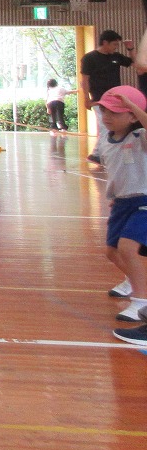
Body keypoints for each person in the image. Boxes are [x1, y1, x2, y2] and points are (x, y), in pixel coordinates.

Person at [85, 86, 147, 341]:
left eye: (115, 112)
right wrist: (114, 198)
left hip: (144, 200)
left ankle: (141, 300)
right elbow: (116, 171)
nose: (107, 116)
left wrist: (134, 108)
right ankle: (134, 281)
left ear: (132, 116)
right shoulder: (105, 141)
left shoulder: (140, 136)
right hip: (121, 202)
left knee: (127, 247)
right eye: (105, 111)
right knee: (111, 251)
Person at [82, 30, 135, 164]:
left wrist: (131, 48)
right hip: (99, 99)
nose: (115, 48)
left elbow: (134, 62)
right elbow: (85, 80)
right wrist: (86, 99)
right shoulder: (90, 58)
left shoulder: (116, 57)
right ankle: (99, 154)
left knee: (114, 126)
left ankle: (98, 154)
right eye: (114, 45)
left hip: (115, 99)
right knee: (105, 126)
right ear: (105, 43)